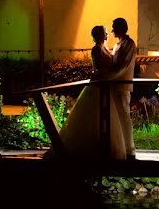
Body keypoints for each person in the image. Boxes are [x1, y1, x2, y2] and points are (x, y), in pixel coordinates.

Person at [47, 25, 125, 161]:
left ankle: (102, 146)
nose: (107, 35)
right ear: (99, 35)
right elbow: (98, 68)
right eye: (105, 33)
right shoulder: (96, 49)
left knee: (106, 116)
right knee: (92, 116)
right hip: (98, 86)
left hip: (105, 85)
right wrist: (113, 73)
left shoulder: (104, 48)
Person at [104, 17, 137, 159]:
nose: (112, 30)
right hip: (114, 85)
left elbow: (124, 66)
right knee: (116, 117)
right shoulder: (117, 45)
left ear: (120, 28)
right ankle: (120, 148)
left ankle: (130, 149)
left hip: (122, 85)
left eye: (114, 27)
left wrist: (109, 77)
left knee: (124, 116)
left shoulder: (129, 44)